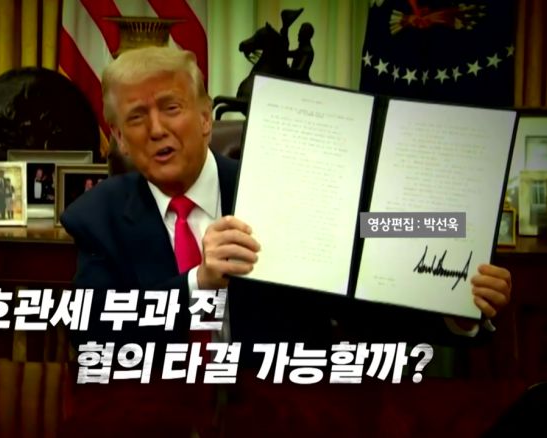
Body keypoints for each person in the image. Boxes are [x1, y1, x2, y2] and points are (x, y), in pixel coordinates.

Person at [60, 46, 512, 362]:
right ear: (119, 139)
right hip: (158, 411)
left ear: (204, 118)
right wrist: (198, 282)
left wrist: (453, 309)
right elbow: (91, 333)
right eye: (137, 117)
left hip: (282, 409)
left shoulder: (292, 187)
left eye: (171, 108)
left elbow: (363, 304)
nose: (157, 128)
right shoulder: (96, 217)